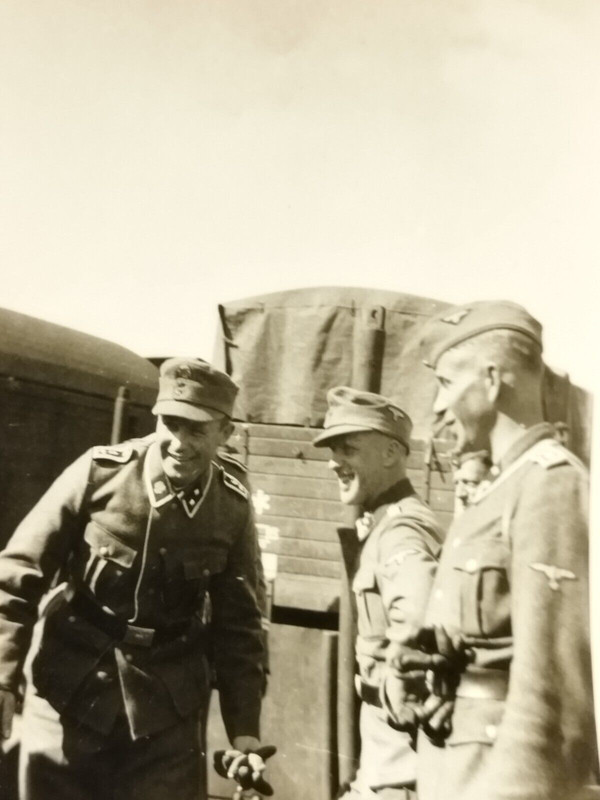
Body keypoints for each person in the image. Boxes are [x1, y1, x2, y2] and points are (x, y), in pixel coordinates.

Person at [0, 358, 274, 800]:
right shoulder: (100, 474)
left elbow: (239, 625)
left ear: (225, 433)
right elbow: (18, 573)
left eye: (196, 430)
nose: (178, 443)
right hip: (69, 691)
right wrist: (3, 676)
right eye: (171, 424)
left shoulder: (231, 506)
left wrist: (245, 731)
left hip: (166, 715)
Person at [412, 301, 594, 800]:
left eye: (446, 383)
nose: (437, 406)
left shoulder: (550, 486)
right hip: (459, 767)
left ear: (492, 380)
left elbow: (551, 696)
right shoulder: (497, 490)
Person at [313, 387, 444, 800]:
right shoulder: (383, 523)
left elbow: (418, 629)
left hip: (401, 767)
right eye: (333, 450)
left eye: (348, 449)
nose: (334, 462)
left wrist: (400, 697)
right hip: (385, 762)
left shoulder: (402, 529)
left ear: (390, 453)